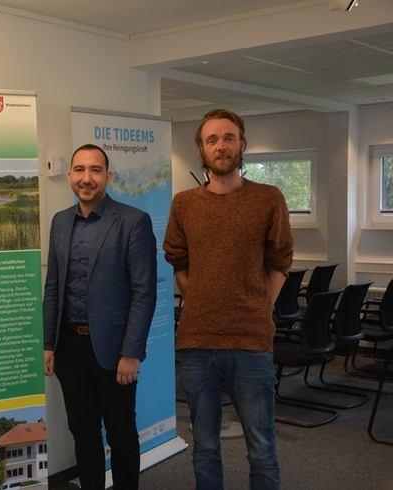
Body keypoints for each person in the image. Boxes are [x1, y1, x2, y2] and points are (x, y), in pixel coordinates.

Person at [163, 109, 294, 490]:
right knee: (204, 446)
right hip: (197, 343)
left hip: (251, 343)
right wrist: (202, 299)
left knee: (262, 447)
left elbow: (280, 261)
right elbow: (178, 260)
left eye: (228, 137)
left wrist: (260, 306)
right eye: (212, 139)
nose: (221, 145)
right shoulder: (184, 203)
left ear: (241, 145)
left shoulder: (268, 199)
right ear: (202, 150)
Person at [43, 143, 157, 490]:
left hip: (114, 351)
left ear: (108, 177)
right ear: (70, 176)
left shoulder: (132, 221)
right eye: (80, 170)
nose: (86, 178)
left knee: (121, 432)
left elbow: (144, 292)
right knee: (83, 430)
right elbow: (53, 288)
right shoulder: (61, 221)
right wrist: (49, 344)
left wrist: (131, 352)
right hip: (69, 348)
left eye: (95, 171)